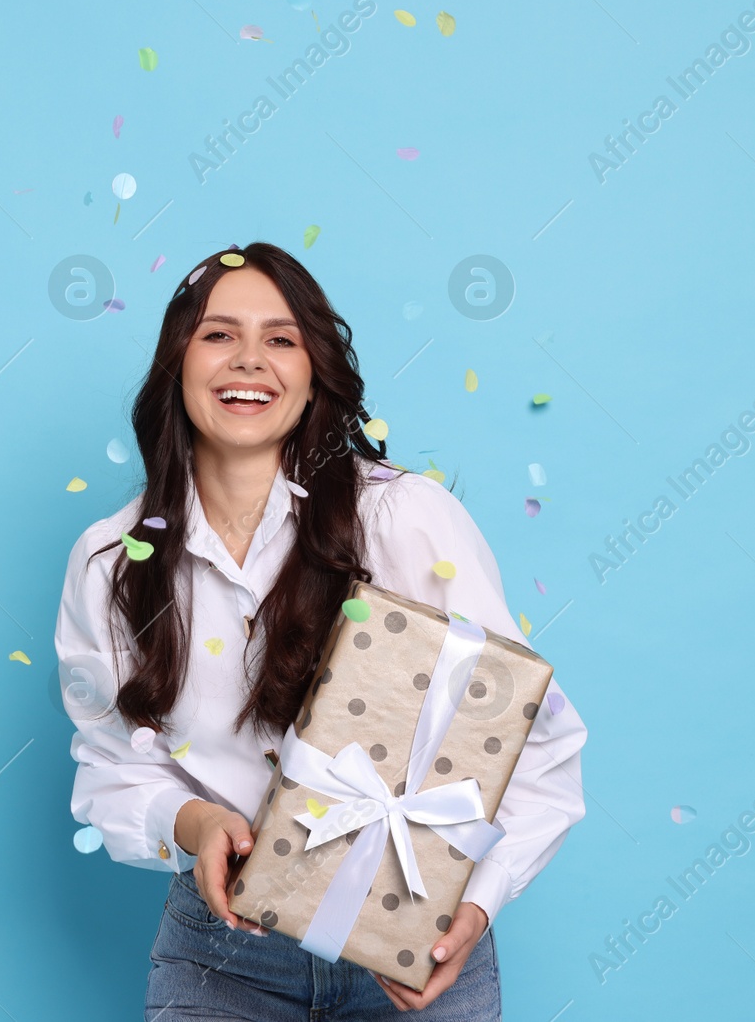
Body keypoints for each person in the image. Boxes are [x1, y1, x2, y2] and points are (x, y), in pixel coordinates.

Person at [55, 242, 588, 1019]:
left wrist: (472, 908)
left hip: (410, 940)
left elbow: (536, 741)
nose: (249, 361)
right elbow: (108, 764)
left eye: (281, 338)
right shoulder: (111, 561)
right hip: (223, 958)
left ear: (314, 375)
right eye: (217, 334)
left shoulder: (402, 519)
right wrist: (192, 820)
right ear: (175, 362)